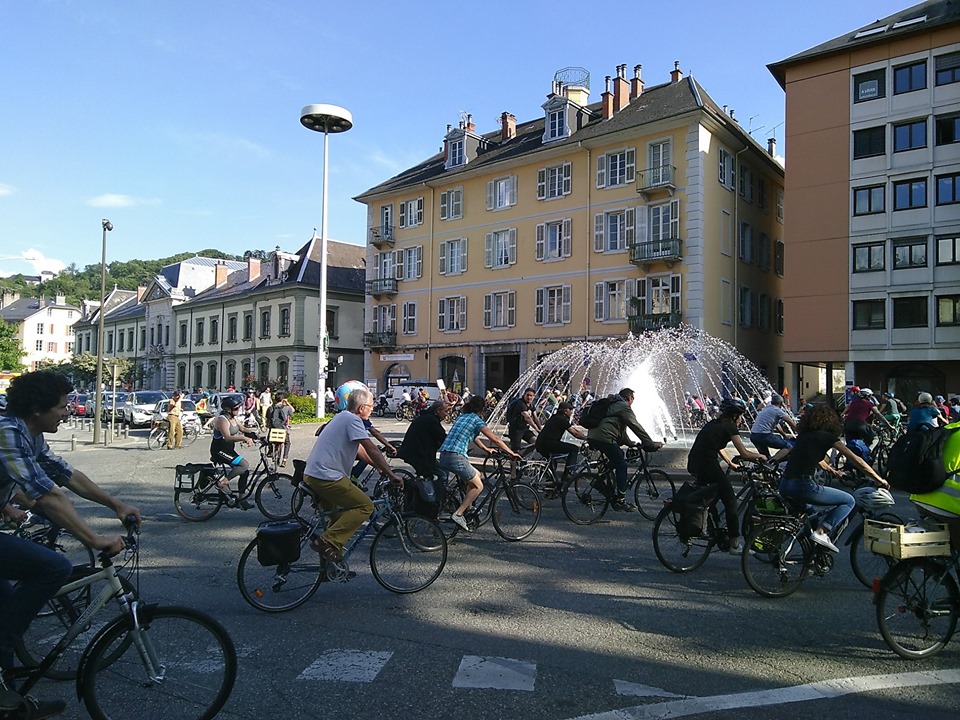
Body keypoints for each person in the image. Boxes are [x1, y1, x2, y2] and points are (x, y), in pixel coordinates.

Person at [0, 371, 141, 719]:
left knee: (5, 611)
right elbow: (47, 495)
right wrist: (94, 539)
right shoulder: (8, 431)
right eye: (62, 407)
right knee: (54, 566)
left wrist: (116, 505)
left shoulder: (29, 434)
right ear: (38, 409)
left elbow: (67, 475)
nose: (67, 412)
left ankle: (9, 704)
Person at [772, 403, 888, 552]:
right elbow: (856, 460)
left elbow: (816, 459)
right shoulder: (827, 437)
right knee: (849, 501)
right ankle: (822, 532)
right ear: (829, 420)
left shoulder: (804, 435)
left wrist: (834, 472)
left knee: (810, 515)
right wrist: (879, 479)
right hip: (804, 486)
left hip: (785, 484)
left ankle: (811, 554)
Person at [303, 387, 402, 561]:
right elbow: (371, 448)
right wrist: (391, 474)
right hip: (327, 477)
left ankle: (331, 566)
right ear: (362, 408)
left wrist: (380, 468)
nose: (373, 409)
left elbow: (360, 450)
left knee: (337, 517)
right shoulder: (353, 420)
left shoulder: (342, 417)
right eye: (371, 406)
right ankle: (326, 541)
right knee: (365, 506)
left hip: (314, 474)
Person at [686, 397, 766, 552]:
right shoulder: (729, 426)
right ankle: (734, 543)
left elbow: (717, 446)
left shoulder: (715, 423)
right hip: (707, 464)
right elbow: (744, 452)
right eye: (741, 416)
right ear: (735, 415)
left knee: (711, 494)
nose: (741, 419)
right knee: (730, 500)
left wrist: (730, 462)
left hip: (694, 462)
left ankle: (710, 525)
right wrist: (760, 456)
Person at [438, 395, 521, 532]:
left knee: (476, 474)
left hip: (445, 454)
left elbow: (473, 436)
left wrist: (486, 449)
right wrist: (511, 453)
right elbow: (495, 438)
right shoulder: (476, 420)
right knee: (478, 486)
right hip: (456, 457)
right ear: (482, 409)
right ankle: (458, 514)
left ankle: (468, 510)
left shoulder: (462, 417)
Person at [586, 388, 664, 512]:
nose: (633, 402)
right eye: (633, 399)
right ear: (629, 398)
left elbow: (621, 432)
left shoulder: (614, 405)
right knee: (622, 465)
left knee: (618, 455)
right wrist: (650, 444)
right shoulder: (623, 406)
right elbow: (636, 426)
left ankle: (599, 481)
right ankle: (620, 500)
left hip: (593, 436)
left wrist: (631, 443)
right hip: (604, 438)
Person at [398, 401, 449, 516]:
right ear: (438, 411)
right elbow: (442, 436)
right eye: (445, 411)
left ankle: (428, 498)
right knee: (442, 473)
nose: (447, 414)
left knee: (432, 472)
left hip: (415, 453)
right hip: (418, 455)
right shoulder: (431, 420)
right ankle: (437, 500)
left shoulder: (428, 417)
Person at [209, 396, 255, 510]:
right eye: (235, 408)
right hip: (219, 451)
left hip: (228, 450)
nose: (238, 410)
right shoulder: (222, 420)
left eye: (238, 408)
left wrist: (256, 435)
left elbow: (243, 429)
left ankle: (241, 500)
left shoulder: (234, 418)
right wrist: (244, 439)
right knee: (244, 465)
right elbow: (228, 437)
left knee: (244, 472)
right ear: (228, 410)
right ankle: (223, 482)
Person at [535, 401, 588, 491]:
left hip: (541, 443)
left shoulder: (555, 417)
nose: (572, 412)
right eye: (570, 409)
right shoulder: (562, 419)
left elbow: (575, 430)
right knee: (574, 449)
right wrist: (587, 438)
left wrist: (583, 435)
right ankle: (569, 473)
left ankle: (551, 486)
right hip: (548, 444)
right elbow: (575, 433)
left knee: (553, 462)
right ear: (564, 411)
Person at [507, 388, 542, 478]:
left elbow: (535, 418)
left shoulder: (531, 405)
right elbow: (528, 418)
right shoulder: (521, 404)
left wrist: (541, 429)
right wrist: (536, 429)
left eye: (531, 395)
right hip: (516, 430)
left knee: (536, 442)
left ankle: (521, 457)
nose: (529, 397)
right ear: (524, 395)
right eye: (527, 395)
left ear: (534, 397)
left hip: (524, 429)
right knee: (514, 451)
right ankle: (513, 475)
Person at [266, 393, 294, 467]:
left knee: (268, 439)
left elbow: (268, 420)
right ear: (282, 399)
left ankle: (271, 450)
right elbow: (293, 411)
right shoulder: (286, 408)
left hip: (273, 429)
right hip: (283, 429)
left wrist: (268, 427)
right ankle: (284, 460)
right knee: (287, 443)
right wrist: (287, 403)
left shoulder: (270, 408)